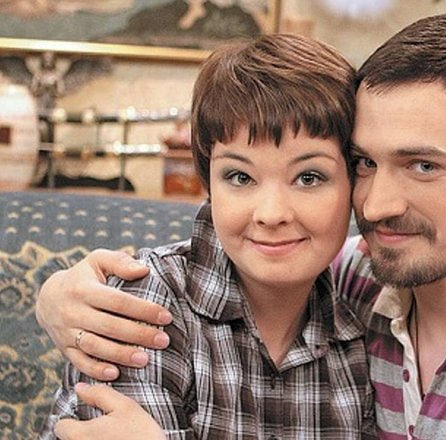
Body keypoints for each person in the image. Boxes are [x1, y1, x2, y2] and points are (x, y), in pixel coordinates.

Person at [37, 14, 446, 440]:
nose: (376, 205)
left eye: (423, 165)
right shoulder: (355, 281)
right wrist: (59, 293)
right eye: (366, 164)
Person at [38, 33, 376, 439]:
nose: (271, 214)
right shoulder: (148, 304)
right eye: (240, 177)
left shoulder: (357, 341)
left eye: (309, 177)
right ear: (209, 183)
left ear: (355, 184)